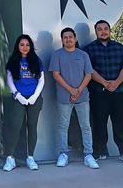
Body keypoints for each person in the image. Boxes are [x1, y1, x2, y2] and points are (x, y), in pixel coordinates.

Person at [83, 20, 123, 164]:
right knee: (99, 123)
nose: (103, 31)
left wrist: (116, 83)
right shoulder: (89, 49)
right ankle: (99, 152)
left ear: (109, 30)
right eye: (100, 29)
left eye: (106, 29)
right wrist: (105, 83)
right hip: (99, 93)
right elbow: (89, 69)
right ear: (96, 31)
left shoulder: (119, 47)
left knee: (120, 124)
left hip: (119, 93)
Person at [49, 27, 99, 169]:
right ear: (62, 40)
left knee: (86, 126)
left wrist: (78, 91)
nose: (68, 39)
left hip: (82, 97)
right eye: (65, 37)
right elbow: (56, 75)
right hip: (64, 97)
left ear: (75, 39)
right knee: (63, 126)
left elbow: (88, 75)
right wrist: (71, 90)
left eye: (71, 37)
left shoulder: (83, 55)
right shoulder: (57, 55)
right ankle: (63, 154)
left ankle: (88, 155)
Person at [2, 34, 45, 171]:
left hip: (34, 98)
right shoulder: (13, 60)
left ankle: (30, 157)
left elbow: (41, 80)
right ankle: (10, 158)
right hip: (18, 98)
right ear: (18, 46)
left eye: (27, 45)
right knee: (15, 126)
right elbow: (9, 79)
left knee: (32, 127)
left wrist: (34, 97)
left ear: (30, 46)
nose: (25, 47)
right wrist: (17, 94)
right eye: (22, 45)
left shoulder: (36, 60)